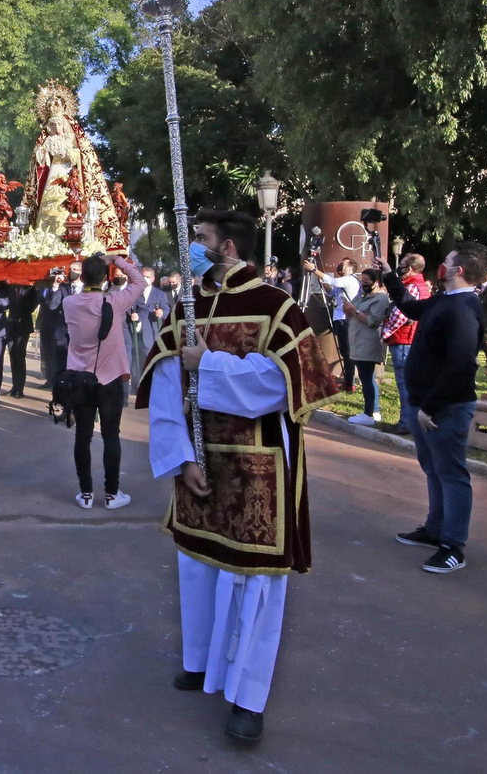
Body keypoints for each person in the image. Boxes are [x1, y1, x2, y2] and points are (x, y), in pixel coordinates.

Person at [136, 209, 338, 743]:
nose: (192, 250)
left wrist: (210, 365)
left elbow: (280, 386)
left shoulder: (275, 307)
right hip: (199, 461)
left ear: (227, 248)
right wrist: (181, 457)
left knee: (252, 579)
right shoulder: (186, 307)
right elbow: (162, 385)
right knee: (197, 567)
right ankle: (200, 660)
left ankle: (248, 697)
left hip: (257, 463)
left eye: (199, 241)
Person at [381, 240, 487, 574]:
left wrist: (430, 406)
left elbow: (461, 364)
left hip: (444, 406)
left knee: (452, 473)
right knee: (433, 468)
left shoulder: (464, 308)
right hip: (424, 403)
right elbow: (410, 308)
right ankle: (435, 529)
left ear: (457, 270)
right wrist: (390, 276)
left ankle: (453, 545)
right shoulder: (445, 300)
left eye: (446, 262)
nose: (440, 266)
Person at [63, 252, 144, 509]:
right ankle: (111, 494)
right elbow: (140, 282)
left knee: (82, 436)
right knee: (111, 436)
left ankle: (86, 494)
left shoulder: (69, 303)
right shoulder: (115, 302)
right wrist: (117, 261)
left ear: (81, 275)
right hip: (109, 380)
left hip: (79, 379)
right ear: (106, 277)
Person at [380, 253, 430, 435]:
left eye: (401, 265)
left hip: (404, 339)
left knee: (404, 384)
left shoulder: (412, 286)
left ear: (409, 269)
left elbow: (401, 314)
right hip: (408, 338)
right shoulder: (421, 285)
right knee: (407, 383)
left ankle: (406, 422)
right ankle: (409, 421)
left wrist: (384, 332)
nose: (398, 268)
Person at [342, 268, 391, 427]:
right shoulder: (363, 295)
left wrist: (354, 310)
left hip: (368, 342)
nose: (364, 285)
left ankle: (370, 412)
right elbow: (353, 309)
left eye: (367, 283)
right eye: (362, 282)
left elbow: (373, 321)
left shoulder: (381, 299)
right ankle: (373, 410)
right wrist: (348, 309)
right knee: (367, 377)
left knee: (367, 378)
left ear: (377, 282)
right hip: (357, 340)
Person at [307, 258, 360, 391]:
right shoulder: (344, 282)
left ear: (350, 268)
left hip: (345, 319)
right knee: (345, 351)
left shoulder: (350, 279)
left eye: (344, 263)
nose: (341, 265)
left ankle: (350, 382)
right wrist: (322, 282)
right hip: (340, 319)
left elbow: (333, 281)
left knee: (347, 352)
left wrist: (314, 269)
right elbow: (332, 292)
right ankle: (348, 381)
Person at [130, 265, 171, 374]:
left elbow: (167, 312)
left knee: (149, 364)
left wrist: (162, 313)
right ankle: (135, 388)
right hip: (134, 333)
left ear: (153, 279)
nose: (144, 279)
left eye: (147, 277)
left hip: (150, 335)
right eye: (142, 276)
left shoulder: (160, 294)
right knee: (135, 366)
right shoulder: (133, 292)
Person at [37, 268, 73, 389]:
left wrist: (57, 285)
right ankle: (49, 378)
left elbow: (53, 304)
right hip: (45, 324)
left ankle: (59, 380)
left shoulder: (64, 288)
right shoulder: (43, 287)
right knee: (46, 353)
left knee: (57, 354)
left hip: (58, 324)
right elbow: (41, 304)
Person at [4, 284, 37, 398]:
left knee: (20, 355)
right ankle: (14, 386)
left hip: (23, 325)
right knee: (13, 355)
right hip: (11, 325)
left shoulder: (30, 288)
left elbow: (32, 305)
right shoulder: (10, 287)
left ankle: (19, 388)